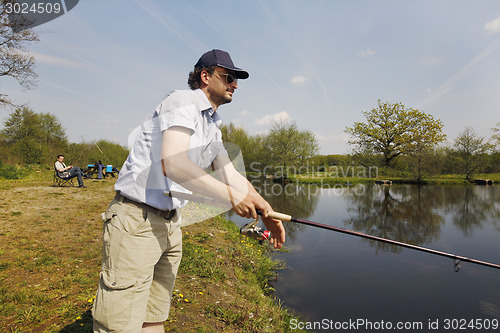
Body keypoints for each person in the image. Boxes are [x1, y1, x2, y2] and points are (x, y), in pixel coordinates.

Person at [92, 49, 286, 333]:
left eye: (236, 79)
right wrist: (232, 199)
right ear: (205, 76)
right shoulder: (182, 101)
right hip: (137, 220)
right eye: (229, 77)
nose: (235, 84)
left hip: (170, 223)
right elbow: (174, 163)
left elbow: (230, 174)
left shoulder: (212, 126)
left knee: (153, 317)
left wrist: (265, 208)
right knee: (119, 326)